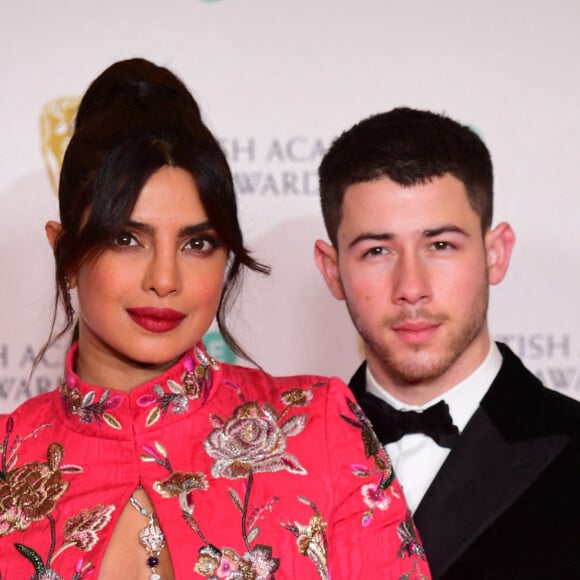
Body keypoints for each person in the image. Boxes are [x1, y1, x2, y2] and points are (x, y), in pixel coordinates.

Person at [0, 62, 431, 580]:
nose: (165, 278)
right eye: (126, 239)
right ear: (65, 253)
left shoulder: (318, 429)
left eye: (197, 243)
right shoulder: (7, 456)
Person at [314, 107, 580, 579]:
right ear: (332, 270)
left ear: (495, 254)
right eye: (377, 251)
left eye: (440, 246)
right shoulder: (283, 462)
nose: (411, 287)